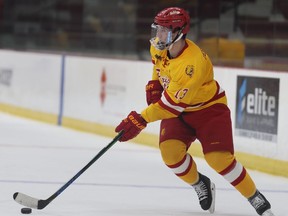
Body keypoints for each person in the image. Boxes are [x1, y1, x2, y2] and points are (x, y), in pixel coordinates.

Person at [115, 7, 274, 216]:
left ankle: (254, 196)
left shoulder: (192, 63)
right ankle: (201, 184)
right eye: (158, 29)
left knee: (219, 159)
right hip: (180, 110)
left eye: (165, 30)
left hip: (209, 110)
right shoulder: (160, 47)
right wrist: (154, 84)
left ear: (180, 32)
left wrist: (140, 119)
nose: (159, 35)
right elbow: (158, 65)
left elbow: (170, 107)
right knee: (170, 154)